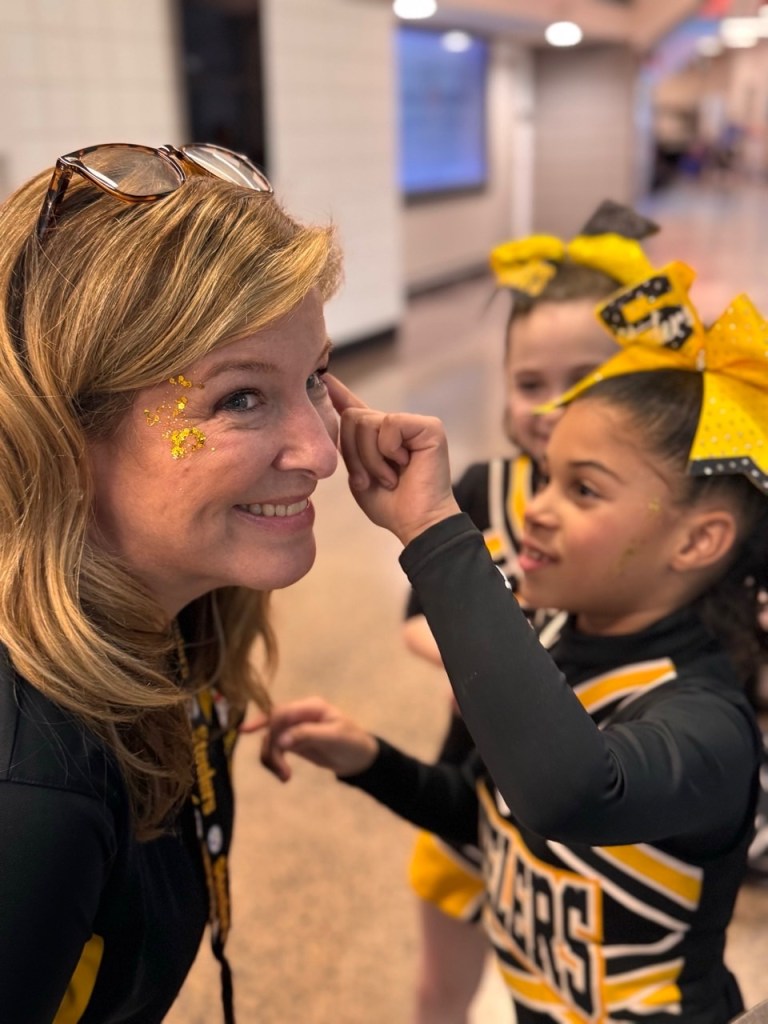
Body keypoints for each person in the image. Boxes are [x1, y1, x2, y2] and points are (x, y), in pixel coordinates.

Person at [262, 260, 768, 1024]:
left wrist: (434, 531)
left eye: (584, 488)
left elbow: (569, 795)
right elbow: (498, 819)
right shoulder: (563, 636)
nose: (538, 508)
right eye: (549, 478)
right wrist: (371, 760)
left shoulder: (706, 722)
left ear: (699, 540)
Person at [0, 142, 342, 1023]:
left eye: (315, 379)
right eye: (240, 399)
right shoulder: (35, 792)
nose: (322, 452)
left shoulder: (177, 624)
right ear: (60, 431)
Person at [403, 201, 660, 1024]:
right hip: (469, 784)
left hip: (593, 803)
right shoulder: (479, 493)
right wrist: (489, 668)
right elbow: (417, 619)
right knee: (441, 978)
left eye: (585, 378)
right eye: (529, 383)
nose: (551, 406)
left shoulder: (658, 509)